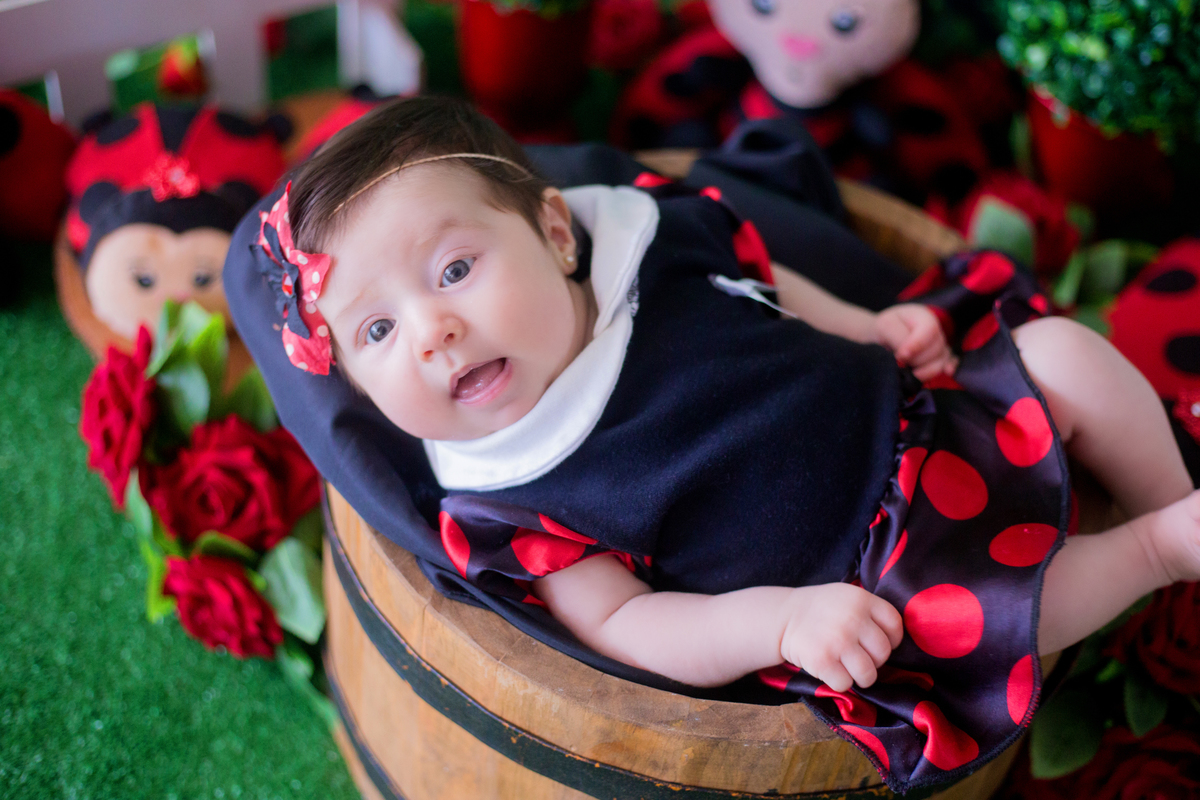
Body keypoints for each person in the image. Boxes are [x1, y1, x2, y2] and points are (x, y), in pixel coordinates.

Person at [251, 96, 1197, 791]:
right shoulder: (509, 495)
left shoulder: (648, 241)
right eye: (377, 331)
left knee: (1062, 353)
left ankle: (1168, 491)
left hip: (925, 412)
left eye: (455, 268)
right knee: (984, 620)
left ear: (555, 233)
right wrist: (779, 623)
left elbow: (759, 279)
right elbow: (628, 627)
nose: (432, 332)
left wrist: (864, 326)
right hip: (873, 580)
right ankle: (1156, 551)